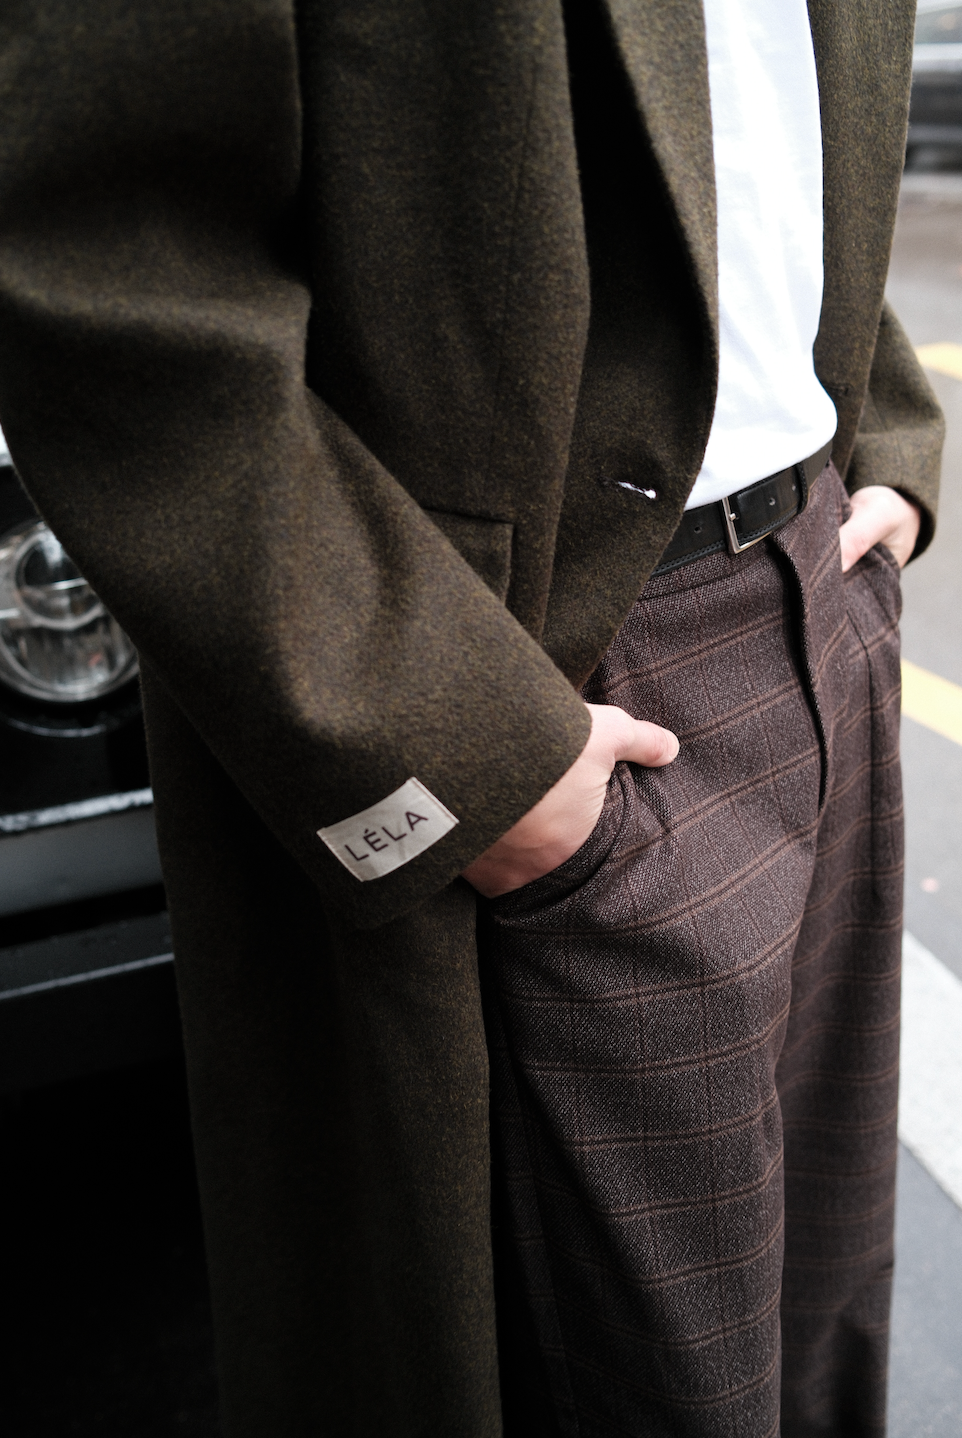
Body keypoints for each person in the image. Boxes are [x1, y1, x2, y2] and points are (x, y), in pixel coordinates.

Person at [0, 0, 941, 1433]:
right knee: (654, 1386)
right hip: (541, 682)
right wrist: (454, 747)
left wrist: (881, 432)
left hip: (822, 588)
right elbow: (104, 260)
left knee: (820, 1323)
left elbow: (775, 121)